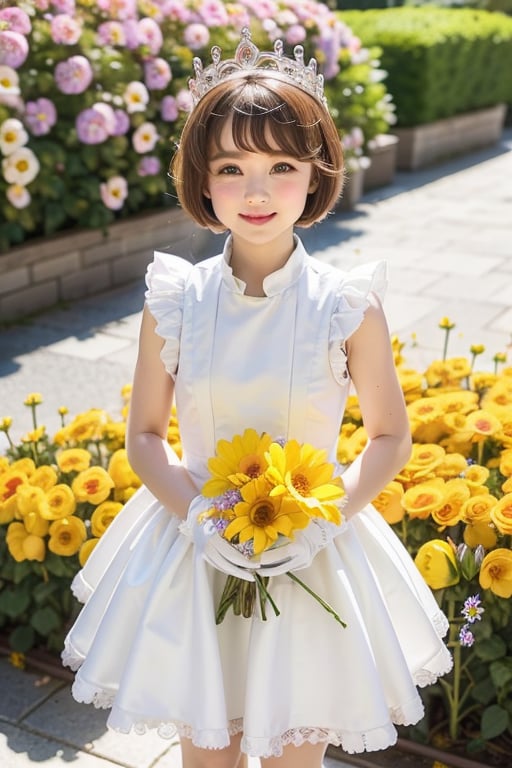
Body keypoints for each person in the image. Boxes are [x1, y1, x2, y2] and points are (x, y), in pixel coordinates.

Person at [62, 28, 452, 768]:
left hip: (313, 557)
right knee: (208, 751)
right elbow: (145, 435)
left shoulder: (347, 303)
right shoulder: (175, 299)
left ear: (316, 175)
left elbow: (390, 436)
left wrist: (323, 519)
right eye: (233, 168)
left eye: (282, 165)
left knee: (290, 754)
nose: (259, 190)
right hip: (195, 549)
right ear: (202, 182)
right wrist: (200, 518)